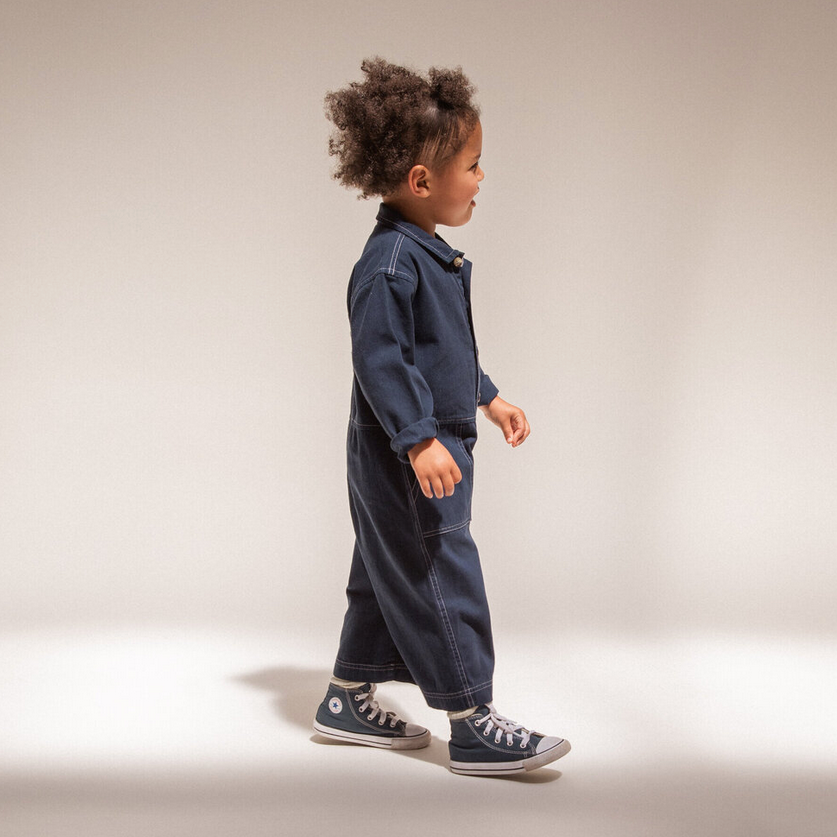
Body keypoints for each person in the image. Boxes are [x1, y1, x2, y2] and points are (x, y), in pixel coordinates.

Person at [313, 58, 570, 776]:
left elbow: (442, 354)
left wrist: (488, 396)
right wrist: (419, 438)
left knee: (385, 566)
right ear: (422, 181)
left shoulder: (426, 257)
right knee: (439, 567)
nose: (482, 178)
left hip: (419, 445)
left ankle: (345, 695)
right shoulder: (391, 264)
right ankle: (470, 720)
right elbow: (382, 362)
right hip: (406, 453)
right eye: (473, 164)